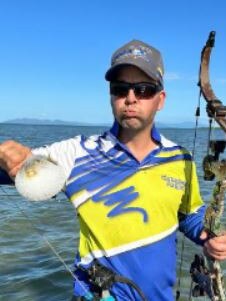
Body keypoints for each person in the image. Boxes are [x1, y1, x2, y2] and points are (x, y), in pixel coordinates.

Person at [1, 39, 226, 301]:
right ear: (111, 96)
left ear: (160, 99)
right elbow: (20, 170)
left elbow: (187, 214)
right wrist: (6, 156)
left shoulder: (180, 158)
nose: (130, 98)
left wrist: (209, 237)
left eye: (143, 89)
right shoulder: (76, 152)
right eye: (121, 89)